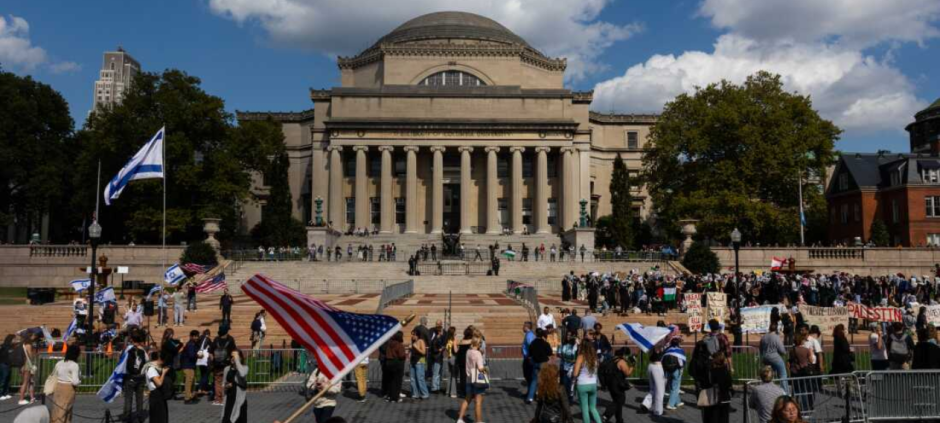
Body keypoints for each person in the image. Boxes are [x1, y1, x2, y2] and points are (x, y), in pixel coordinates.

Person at [456, 336, 486, 423]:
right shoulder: (478, 354)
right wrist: (486, 369)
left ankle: (460, 419)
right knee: (478, 402)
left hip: (469, 378)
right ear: (479, 344)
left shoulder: (468, 351)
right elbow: (480, 368)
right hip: (477, 379)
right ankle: (479, 421)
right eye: (481, 343)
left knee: (467, 399)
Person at [601, 347, 634, 423]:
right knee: (620, 401)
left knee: (618, 402)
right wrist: (632, 365)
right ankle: (606, 415)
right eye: (627, 355)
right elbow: (627, 373)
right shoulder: (621, 361)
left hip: (610, 384)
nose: (627, 357)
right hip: (617, 385)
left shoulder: (613, 359)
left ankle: (619, 420)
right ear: (624, 354)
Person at [49, 345, 81, 423]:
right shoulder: (74, 365)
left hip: (58, 386)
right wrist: (80, 381)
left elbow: (55, 374)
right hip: (68, 388)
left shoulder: (59, 363)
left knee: (56, 409)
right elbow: (75, 381)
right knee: (65, 410)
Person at [573, 338, 602, 423]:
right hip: (593, 384)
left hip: (582, 384)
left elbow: (575, 373)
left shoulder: (580, 357)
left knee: (585, 409)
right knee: (593, 408)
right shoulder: (594, 357)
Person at [122, 330, 148, 423]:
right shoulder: (143, 350)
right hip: (140, 377)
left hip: (130, 376)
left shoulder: (128, 349)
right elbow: (147, 361)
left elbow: (122, 362)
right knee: (139, 398)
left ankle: (127, 417)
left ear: (132, 339)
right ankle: (140, 417)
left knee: (128, 398)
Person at [699, 352, 733, 423]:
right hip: (724, 398)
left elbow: (706, 383)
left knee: (712, 417)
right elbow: (729, 384)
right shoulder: (726, 371)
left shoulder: (711, 372)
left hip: (712, 398)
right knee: (724, 418)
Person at [526, 329, 553, 404]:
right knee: (543, 381)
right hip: (543, 363)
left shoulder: (532, 343)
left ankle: (530, 397)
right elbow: (550, 353)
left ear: (536, 335)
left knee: (534, 380)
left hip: (535, 363)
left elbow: (530, 354)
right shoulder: (545, 343)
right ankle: (540, 396)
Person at [211, 327, 237, 405]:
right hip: (227, 364)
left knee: (218, 381)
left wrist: (213, 361)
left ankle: (218, 399)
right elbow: (234, 352)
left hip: (217, 365)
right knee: (227, 381)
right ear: (226, 332)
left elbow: (211, 353)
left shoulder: (216, 339)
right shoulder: (231, 339)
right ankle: (226, 398)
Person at [221, 350, 248, 423]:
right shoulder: (227, 369)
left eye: (235, 357)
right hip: (229, 398)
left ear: (240, 358)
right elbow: (223, 384)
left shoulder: (244, 368)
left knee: (238, 419)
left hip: (239, 400)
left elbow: (242, 374)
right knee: (227, 419)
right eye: (231, 357)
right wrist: (227, 385)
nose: (233, 358)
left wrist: (237, 360)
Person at [760, 322, 789, 391]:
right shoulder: (776, 337)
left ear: (769, 328)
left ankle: (767, 390)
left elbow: (760, 348)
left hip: (765, 357)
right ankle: (785, 392)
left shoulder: (764, 337)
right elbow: (782, 350)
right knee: (783, 374)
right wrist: (785, 352)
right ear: (776, 329)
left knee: (767, 374)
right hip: (775, 358)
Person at [146, 352, 171, 423]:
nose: (163, 362)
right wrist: (163, 373)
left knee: (161, 417)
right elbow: (159, 383)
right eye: (163, 360)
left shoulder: (155, 368)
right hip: (156, 396)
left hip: (159, 395)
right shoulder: (151, 369)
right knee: (158, 418)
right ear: (159, 359)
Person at [663, 337, 687, 410]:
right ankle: (670, 404)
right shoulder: (680, 351)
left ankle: (677, 402)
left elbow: (663, 360)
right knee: (675, 388)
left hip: (668, 370)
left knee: (671, 386)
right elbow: (683, 362)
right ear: (678, 344)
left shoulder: (667, 350)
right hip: (676, 370)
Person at [383, 331, 406, 402]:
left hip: (389, 362)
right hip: (397, 363)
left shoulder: (389, 344)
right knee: (397, 381)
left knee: (390, 380)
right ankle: (395, 397)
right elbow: (401, 355)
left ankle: (389, 396)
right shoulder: (399, 345)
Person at [409, 328, 429, 400]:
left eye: (413, 335)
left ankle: (425, 394)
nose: (412, 336)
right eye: (412, 335)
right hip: (413, 361)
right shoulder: (413, 342)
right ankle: (415, 394)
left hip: (420, 361)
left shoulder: (421, 341)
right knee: (412, 378)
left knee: (420, 378)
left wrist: (415, 347)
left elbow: (423, 352)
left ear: (417, 335)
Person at [646, 346, 666, 416]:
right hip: (657, 367)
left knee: (653, 389)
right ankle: (658, 411)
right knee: (660, 391)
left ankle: (645, 404)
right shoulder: (658, 345)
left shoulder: (650, 346)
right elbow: (658, 352)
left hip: (650, 365)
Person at [557, 335, 578, 402]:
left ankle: (570, 398)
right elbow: (560, 354)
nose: (569, 337)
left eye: (570, 336)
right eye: (568, 336)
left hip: (573, 368)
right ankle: (566, 398)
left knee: (572, 384)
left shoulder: (576, 347)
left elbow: (576, 358)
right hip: (565, 368)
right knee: (566, 383)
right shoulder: (564, 346)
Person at [180, 330, 199, 404]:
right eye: (194, 336)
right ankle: (187, 398)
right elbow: (191, 355)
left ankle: (190, 396)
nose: (196, 337)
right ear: (191, 336)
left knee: (191, 381)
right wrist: (198, 356)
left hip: (190, 365)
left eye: (197, 336)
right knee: (189, 382)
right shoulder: (191, 344)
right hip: (188, 365)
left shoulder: (193, 344)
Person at [16, 333, 35, 405]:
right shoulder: (28, 345)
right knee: (26, 382)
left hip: (23, 364)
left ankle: (32, 397)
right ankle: (21, 399)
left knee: (30, 382)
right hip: (27, 364)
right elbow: (30, 356)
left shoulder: (21, 345)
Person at [196, 329, 212, 398]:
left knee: (202, 374)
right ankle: (200, 389)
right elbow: (211, 348)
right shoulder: (208, 340)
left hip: (199, 357)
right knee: (205, 374)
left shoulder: (200, 338)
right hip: (206, 359)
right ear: (208, 334)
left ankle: (203, 388)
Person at [522, 322, 536, 391]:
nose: (522, 327)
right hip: (527, 358)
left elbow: (531, 346)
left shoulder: (529, 335)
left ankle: (531, 392)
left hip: (528, 358)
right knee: (527, 375)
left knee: (529, 375)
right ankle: (530, 391)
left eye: (523, 326)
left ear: (526, 327)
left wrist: (530, 356)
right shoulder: (528, 334)